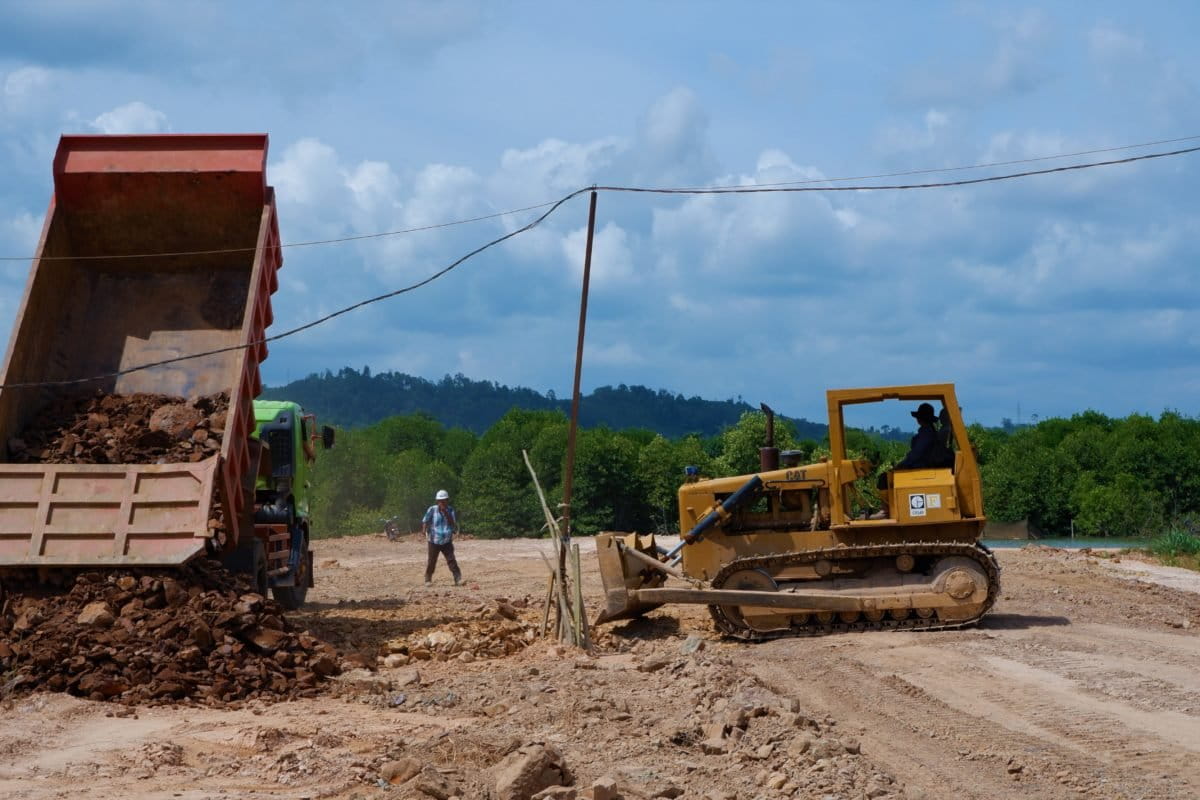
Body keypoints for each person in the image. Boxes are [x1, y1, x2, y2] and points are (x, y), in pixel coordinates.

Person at [871, 403, 943, 518]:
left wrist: (900, 465)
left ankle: (886, 510)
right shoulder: (928, 432)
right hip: (922, 465)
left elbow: (915, 455)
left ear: (919, 419)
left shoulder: (926, 434)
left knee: (884, 477)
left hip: (920, 468)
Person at [422, 489, 463, 586]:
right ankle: (428, 579)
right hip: (433, 540)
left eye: (444, 500)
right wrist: (424, 530)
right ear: (437, 501)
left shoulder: (450, 510)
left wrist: (445, 512)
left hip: (446, 540)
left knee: (451, 560)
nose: (442, 502)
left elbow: (452, 523)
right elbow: (425, 520)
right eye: (440, 501)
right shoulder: (432, 509)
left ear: (447, 500)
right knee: (432, 561)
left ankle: (458, 579)